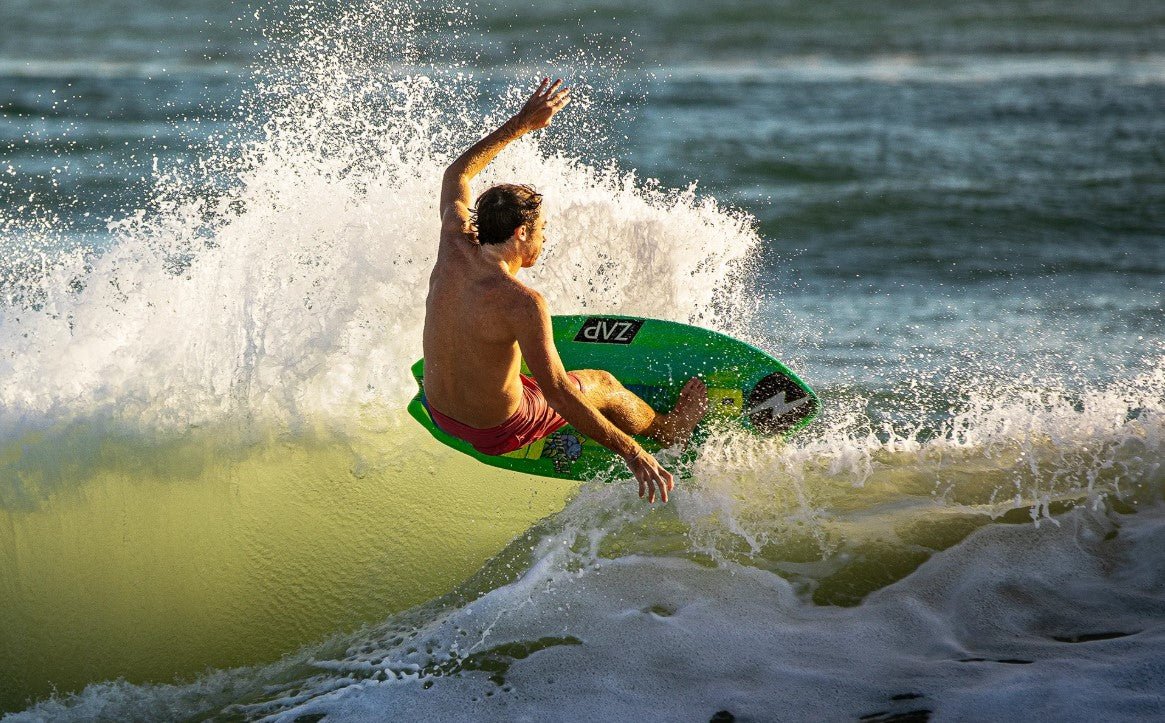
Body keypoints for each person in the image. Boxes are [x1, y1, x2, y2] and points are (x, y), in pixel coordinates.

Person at [422, 78, 708, 504]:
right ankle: (670, 429)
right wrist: (632, 452)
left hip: (440, 413)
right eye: (542, 231)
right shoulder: (522, 303)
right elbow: (557, 393)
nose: (544, 239)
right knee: (601, 383)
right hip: (497, 431)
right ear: (521, 234)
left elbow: (457, 173)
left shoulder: (453, 242)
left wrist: (521, 124)